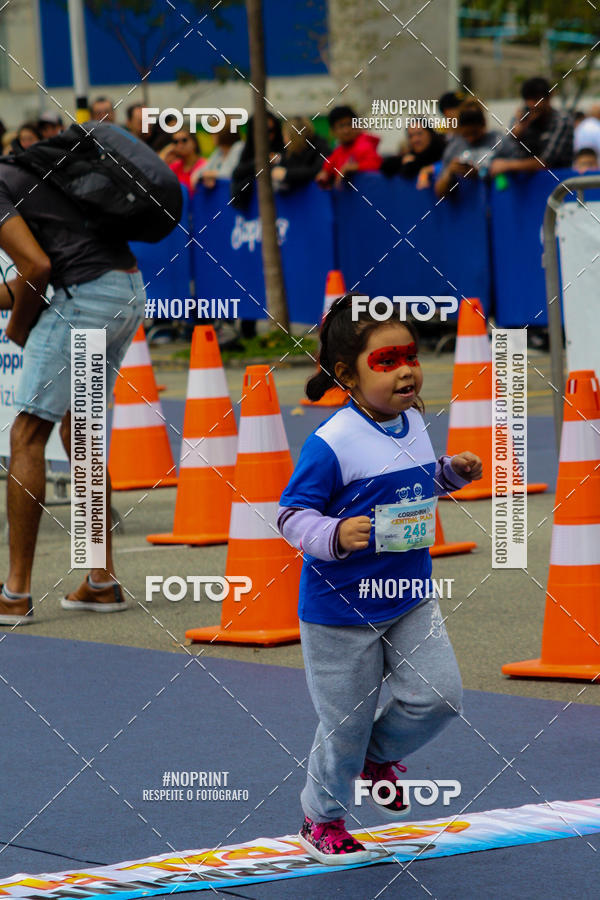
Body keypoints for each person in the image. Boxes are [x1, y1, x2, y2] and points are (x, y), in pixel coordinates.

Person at [278, 294, 482, 865]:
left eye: (410, 356)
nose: (407, 370)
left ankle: (371, 759)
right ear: (346, 374)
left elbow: (409, 492)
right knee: (342, 723)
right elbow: (292, 515)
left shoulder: (414, 420)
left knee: (439, 697)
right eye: (387, 360)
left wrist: (448, 474)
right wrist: (335, 536)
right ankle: (322, 819)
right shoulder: (332, 442)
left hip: (410, 595)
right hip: (342, 611)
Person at [0, 135, 146, 625]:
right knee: (77, 432)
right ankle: (100, 581)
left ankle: (15, 593)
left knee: (27, 434)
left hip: (82, 301)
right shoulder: (28, 171)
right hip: (124, 289)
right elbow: (44, 264)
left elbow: (37, 267)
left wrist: (17, 330)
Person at [490, 76, 573, 177]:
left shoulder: (561, 121)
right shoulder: (523, 117)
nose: (533, 104)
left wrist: (508, 165)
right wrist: (518, 132)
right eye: (529, 100)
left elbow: (545, 162)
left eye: (537, 99)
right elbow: (509, 151)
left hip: (556, 182)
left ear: (549, 97)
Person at [435, 100, 500, 198]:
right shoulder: (454, 148)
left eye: (474, 133)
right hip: (469, 208)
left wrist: (479, 173)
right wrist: (449, 172)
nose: (471, 138)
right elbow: (439, 192)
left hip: (498, 205)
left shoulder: (498, 140)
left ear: (483, 125)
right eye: (466, 134)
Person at [316, 106, 381, 189]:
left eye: (349, 124)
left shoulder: (364, 144)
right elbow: (328, 165)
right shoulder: (339, 150)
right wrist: (325, 173)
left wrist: (351, 167)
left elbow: (376, 163)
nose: (346, 130)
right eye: (341, 126)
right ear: (332, 131)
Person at [230, 112, 285, 209]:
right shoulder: (248, 150)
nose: (267, 136)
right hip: (253, 213)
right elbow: (237, 173)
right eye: (262, 131)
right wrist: (262, 162)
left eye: (271, 131)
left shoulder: (285, 150)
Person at [269, 117, 330, 192]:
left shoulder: (320, 146)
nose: (284, 140)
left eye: (285, 135)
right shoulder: (291, 151)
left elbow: (316, 170)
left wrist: (286, 174)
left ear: (294, 137)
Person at [380, 120, 446, 187]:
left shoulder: (443, 151)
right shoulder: (412, 154)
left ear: (430, 133)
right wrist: (403, 161)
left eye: (419, 134)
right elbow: (386, 166)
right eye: (411, 136)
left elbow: (413, 168)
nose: (415, 139)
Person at [190, 116, 244, 190]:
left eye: (214, 132)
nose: (211, 135)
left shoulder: (239, 147)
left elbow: (231, 174)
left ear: (224, 132)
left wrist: (212, 175)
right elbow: (197, 174)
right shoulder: (219, 152)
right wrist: (205, 175)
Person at [168, 128, 205, 192]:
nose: (180, 145)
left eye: (184, 140)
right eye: (175, 142)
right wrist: (167, 151)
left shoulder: (204, 166)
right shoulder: (174, 167)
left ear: (194, 142)